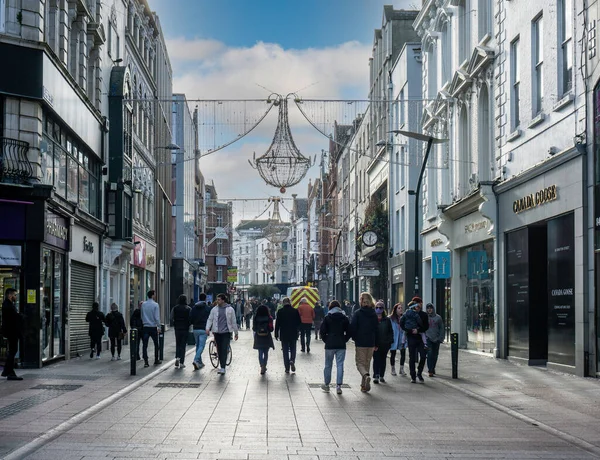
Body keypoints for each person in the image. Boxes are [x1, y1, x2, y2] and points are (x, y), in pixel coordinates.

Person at [319, 300, 350, 394]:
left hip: (330, 345)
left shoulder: (327, 317)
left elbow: (322, 331)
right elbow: (349, 331)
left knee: (328, 365)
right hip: (341, 344)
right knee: (340, 364)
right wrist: (345, 339)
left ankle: (327, 384)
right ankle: (338, 386)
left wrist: (326, 340)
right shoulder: (344, 317)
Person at [349, 292, 379, 393]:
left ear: (361, 301)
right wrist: (376, 343)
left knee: (360, 364)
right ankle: (364, 385)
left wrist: (354, 337)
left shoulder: (358, 313)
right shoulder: (374, 314)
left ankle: (366, 376)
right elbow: (376, 329)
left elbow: (353, 327)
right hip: (371, 342)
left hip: (361, 342)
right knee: (367, 363)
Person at [205, 293, 239, 375]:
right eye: (217, 299)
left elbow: (233, 322)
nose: (217, 301)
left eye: (219, 299)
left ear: (223, 300)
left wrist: (236, 333)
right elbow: (210, 319)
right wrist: (207, 328)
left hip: (226, 333)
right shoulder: (214, 309)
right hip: (217, 333)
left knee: (224, 349)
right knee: (219, 350)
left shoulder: (230, 309)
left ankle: (223, 367)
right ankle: (222, 366)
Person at [400, 298, 429, 383]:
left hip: (420, 338)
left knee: (423, 356)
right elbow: (402, 323)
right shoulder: (407, 313)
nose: (417, 305)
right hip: (411, 337)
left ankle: (419, 372)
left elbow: (426, 326)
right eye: (415, 304)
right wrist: (409, 330)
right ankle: (413, 376)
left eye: (419, 303)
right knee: (412, 357)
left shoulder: (423, 315)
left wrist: (418, 330)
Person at [274, 296, 301, 373]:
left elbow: (277, 324)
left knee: (285, 350)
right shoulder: (295, 311)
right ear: (290, 302)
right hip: (293, 333)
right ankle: (292, 360)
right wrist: (298, 330)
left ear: (283, 303)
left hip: (284, 334)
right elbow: (299, 322)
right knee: (293, 348)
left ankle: (287, 367)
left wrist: (276, 334)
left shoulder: (280, 311)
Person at [1, 288, 23, 380]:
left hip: (11, 331)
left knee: (12, 351)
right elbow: (13, 318)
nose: (16, 297)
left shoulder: (8, 304)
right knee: (13, 351)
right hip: (11, 331)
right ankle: (9, 373)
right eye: (14, 295)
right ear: (10, 295)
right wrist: (20, 316)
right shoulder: (8, 305)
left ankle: (8, 371)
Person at [372, 301, 394, 384]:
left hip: (384, 344)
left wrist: (389, 341)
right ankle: (376, 375)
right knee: (376, 360)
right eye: (377, 307)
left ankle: (381, 375)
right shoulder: (373, 319)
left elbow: (390, 331)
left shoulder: (387, 320)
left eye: (380, 308)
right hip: (375, 344)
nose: (378, 309)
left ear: (383, 309)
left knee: (383, 360)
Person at [190, 293, 211, 370]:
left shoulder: (194, 307)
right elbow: (210, 319)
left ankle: (200, 362)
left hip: (195, 329)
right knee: (201, 346)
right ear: (205, 299)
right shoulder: (207, 308)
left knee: (198, 346)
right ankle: (196, 360)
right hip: (203, 329)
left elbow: (191, 317)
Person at [141, 290, 162, 368]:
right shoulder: (155, 305)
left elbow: (142, 315)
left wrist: (144, 322)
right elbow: (157, 317)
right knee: (156, 344)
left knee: (145, 345)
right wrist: (159, 326)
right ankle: (156, 359)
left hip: (145, 327)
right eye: (155, 294)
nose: (155, 295)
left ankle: (146, 361)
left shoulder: (143, 304)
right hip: (153, 327)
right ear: (153, 295)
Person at [253, 304, 275, 374]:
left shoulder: (255, 317)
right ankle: (264, 365)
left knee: (260, 352)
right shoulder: (269, 318)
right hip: (267, 336)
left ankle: (261, 365)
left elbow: (254, 328)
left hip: (259, 336)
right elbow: (271, 329)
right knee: (266, 352)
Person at [171, 294, 191, 369]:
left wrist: (175, 322)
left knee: (178, 344)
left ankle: (177, 358)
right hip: (185, 328)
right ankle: (182, 362)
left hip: (177, 328)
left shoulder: (175, 308)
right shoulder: (188, 308)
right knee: (183, 345)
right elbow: (190, 318)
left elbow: (171, 317)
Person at [425, 303, 444, 377]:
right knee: (429, 354)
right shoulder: (425, 317)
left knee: (435, 355)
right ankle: (430, 370)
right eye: (428, 308)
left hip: (436, 339)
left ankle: (433, 367)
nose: (429, 310)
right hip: (428, 338)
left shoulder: (438, 318)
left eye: (430, 308)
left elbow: (441, 328)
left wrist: (440, 338)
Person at [389, 303, 406, 376]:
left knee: (403, 353)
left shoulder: (404, 318)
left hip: (402, 338)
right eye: (399, 308)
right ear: (395, 310)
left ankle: (401, 369)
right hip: (394, 338)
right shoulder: (391, 318)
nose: (400, 309)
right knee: (393, 353)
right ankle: (393, 369)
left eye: (401, 308)